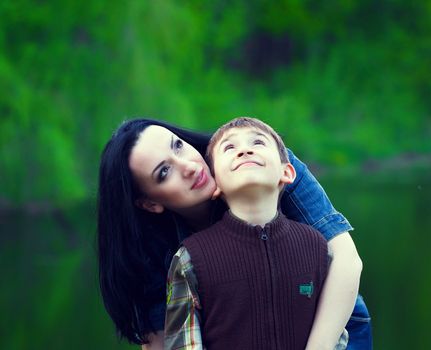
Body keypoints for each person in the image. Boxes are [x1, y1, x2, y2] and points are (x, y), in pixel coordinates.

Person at [97, 117, 371, 350]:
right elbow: (164, 341)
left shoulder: (260, 160)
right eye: (165, 172)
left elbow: (347, 261)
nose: (189, 166)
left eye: (178, 146)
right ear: (149, 203)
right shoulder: (159, 252)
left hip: (332, 328)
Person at [164, 117, 349, 349]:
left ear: (287, 172)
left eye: (258, 143)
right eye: (229, 148)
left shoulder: (317, 247)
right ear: (215, 183)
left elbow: (335, 336)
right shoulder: (191, 258)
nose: (244, 151)